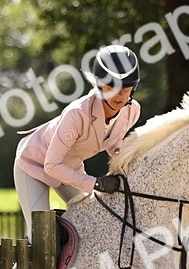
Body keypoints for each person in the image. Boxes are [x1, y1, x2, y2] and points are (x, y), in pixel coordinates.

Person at [13, 44, 143, 236]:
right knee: (42, 235)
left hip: (68, 168)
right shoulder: (78, 113)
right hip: (34, 164)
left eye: (126, 89)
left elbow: (113, 142)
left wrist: (123, 157)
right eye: (111, 87)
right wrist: (96, 183)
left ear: (134, 88)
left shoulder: (132, 111)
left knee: (95, 222)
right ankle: (18, 267)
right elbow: (51, 166)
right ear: (99, 85)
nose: (119, 95)